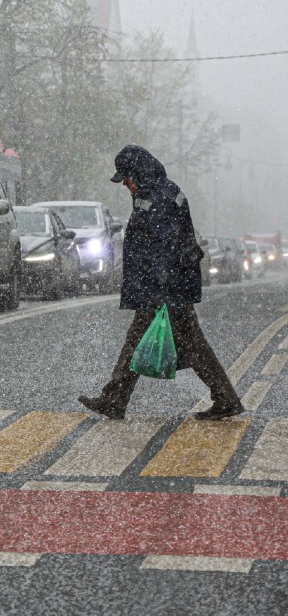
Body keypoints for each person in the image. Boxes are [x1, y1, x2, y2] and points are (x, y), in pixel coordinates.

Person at [79, 145, 244, 421]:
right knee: (182, 344)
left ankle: (116, 399)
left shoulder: (159, 197)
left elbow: (163, 249)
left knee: (165, 343)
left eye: (127, 178)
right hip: (167, 287)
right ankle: (116, 399)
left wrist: (158, 291)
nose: (126, 185)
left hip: (165, 289)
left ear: (138, 173)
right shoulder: (158, 191)